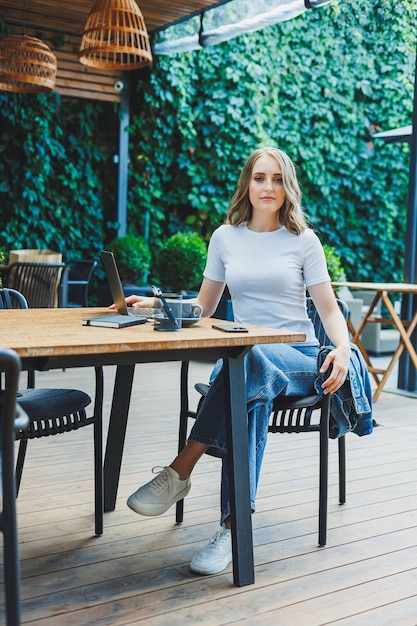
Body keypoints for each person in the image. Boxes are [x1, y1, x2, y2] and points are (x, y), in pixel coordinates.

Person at [121, 146, 355, 576]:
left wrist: (342, 348)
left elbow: (328, 310)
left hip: (300, 359)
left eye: (278, 179)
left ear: (288, 188)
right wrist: (153, 308)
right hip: (245, 361)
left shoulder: (305, 241)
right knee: (248, 387)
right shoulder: (225, 237)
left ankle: (180, 470)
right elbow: (203, 307)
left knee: (248, 365)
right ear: (247, 183)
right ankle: (233, 528)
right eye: (261, 177)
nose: (269, 187)